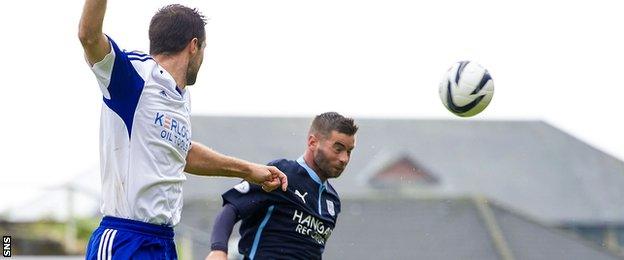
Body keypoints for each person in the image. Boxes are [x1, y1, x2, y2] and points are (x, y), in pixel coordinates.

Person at [78, 1, 288, 259]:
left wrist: (250, 171)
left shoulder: (181, 97)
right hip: (124, 240)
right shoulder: (134, 77)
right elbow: (88, 36)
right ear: (194, 45)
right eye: (204, 49)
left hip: (164, 242)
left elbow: (183, 153)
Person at [206, 112, 358, 260]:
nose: (344, 159)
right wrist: (218, 250)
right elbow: (232, 208)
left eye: (349, 152)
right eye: (338, 149)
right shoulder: (281, 173)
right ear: (312, 142)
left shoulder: (332, 201)